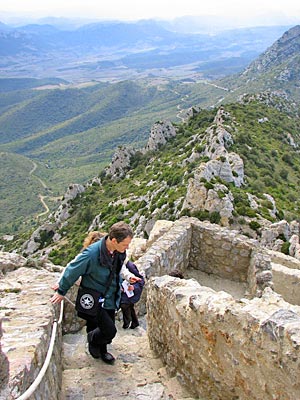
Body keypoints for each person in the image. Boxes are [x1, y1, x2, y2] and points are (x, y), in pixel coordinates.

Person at [50, 221, 136, 364]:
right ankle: (92, 340)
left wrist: (127, 279)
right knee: (108, 330)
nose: (127, 247)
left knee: (105, 328)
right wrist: (61, 290)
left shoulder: (118, 252)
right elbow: (73, 269)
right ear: (114, 240)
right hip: (94, 297)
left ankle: (102, 350)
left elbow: (118, 270)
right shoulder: (92, 254)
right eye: (125, 244)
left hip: (110, 296)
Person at [120, 260, 144, 329]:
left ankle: (127, 323)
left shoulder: (130, 266)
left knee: (124, 305)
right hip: (127, 292)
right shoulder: (122, 264)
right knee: (130, 307)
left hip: (131, 293)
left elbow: (141, 280)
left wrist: (134, 287)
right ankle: (134, 323)